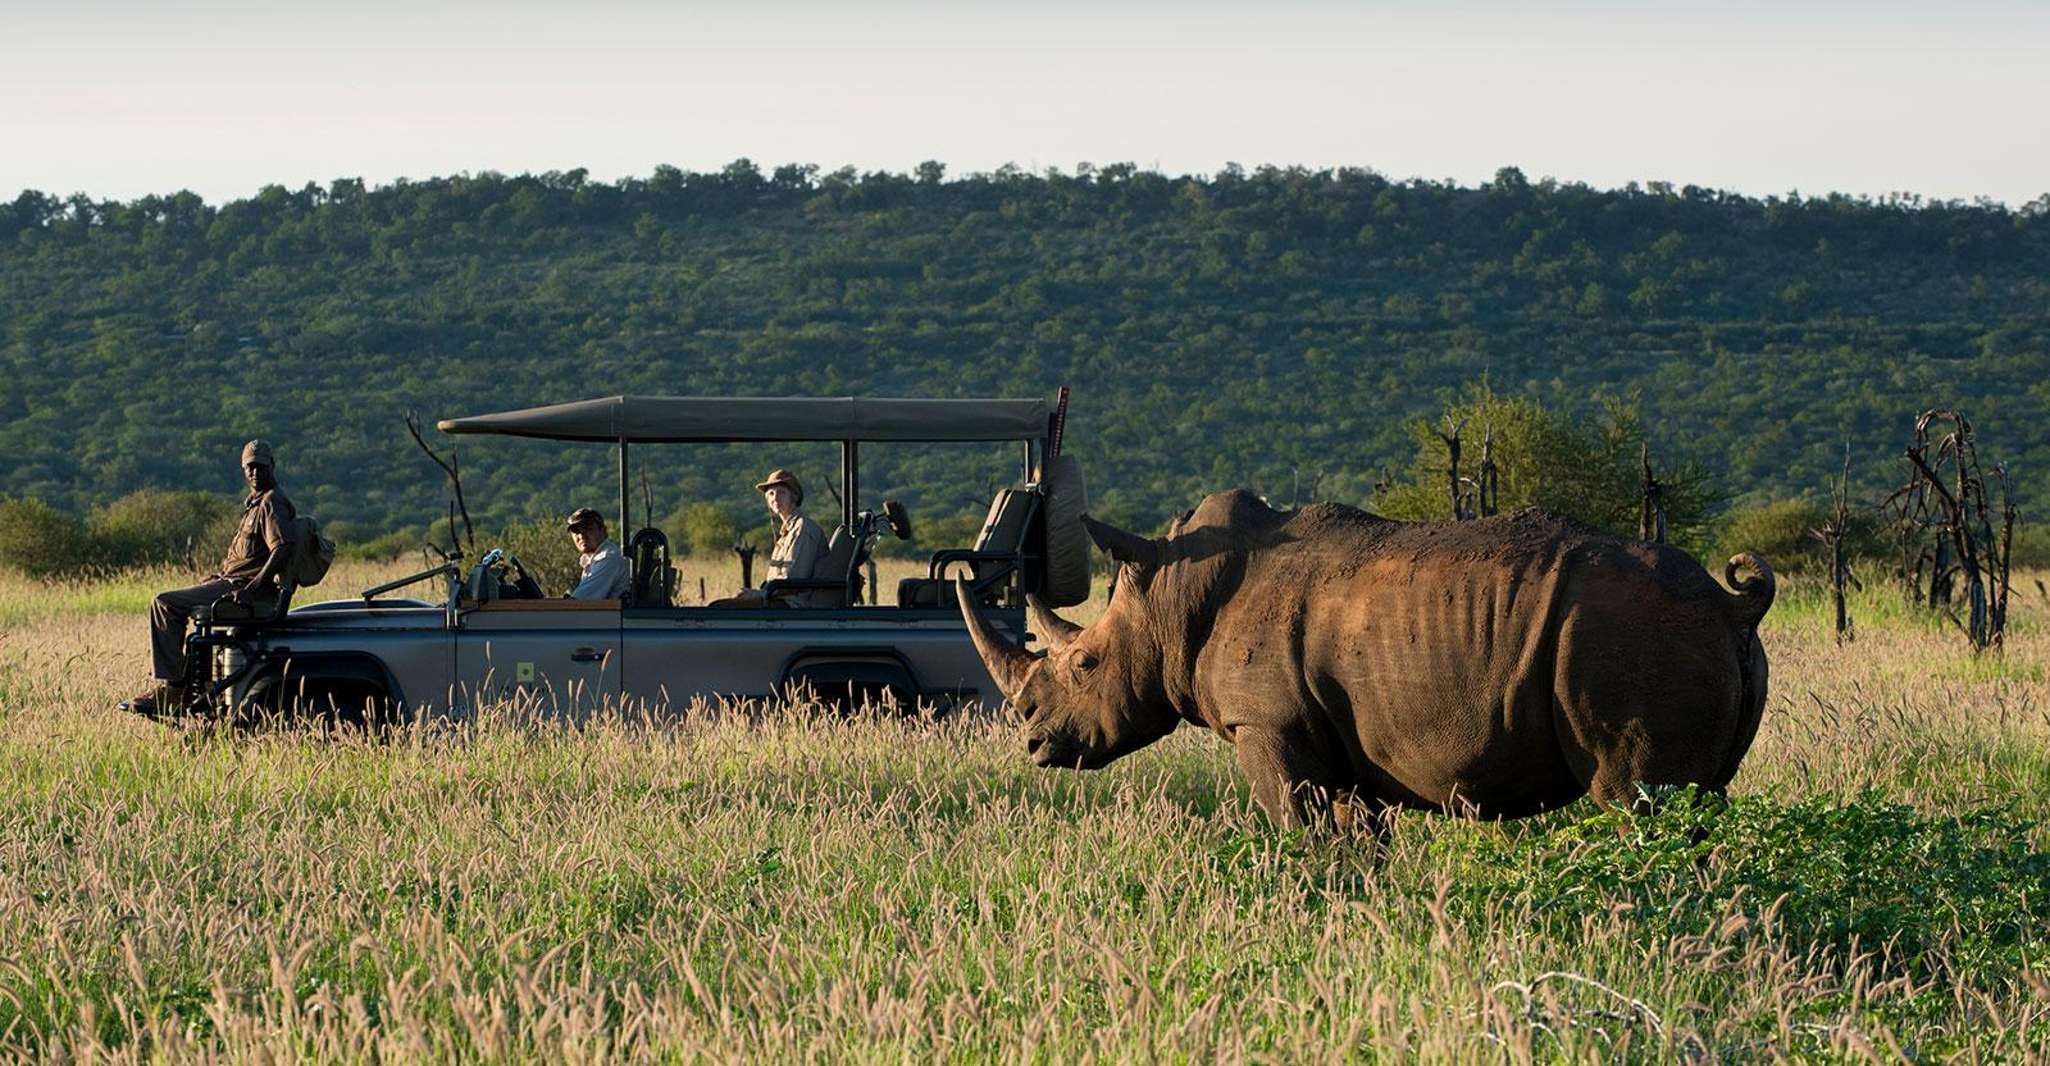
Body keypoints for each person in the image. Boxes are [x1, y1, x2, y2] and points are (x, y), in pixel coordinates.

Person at [125, 439, 295, 718]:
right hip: (232, 582)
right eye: (249, 467)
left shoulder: (272, 502)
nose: (254, 472)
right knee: (185, 615)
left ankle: (174, 689)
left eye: (260, 467)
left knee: (165, 604)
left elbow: (283, 547)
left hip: (242, 588)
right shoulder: (256, 503)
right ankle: (196, 686)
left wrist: (252, 588)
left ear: (272, 466)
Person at [718, 468, 826, 606]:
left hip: (795, 605)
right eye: (771, 493)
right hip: (778, 599)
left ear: (794, 496)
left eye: (781, 492)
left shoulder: (802, 529)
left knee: (720, 609)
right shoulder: (787, 531)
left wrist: (759, 594)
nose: (775, 498)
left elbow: (793, 581)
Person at [566, 507, 632, 600]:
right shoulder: (590, 559)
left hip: (614, 614)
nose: (581, 536)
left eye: (588, 529)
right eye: (576, 531)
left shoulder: (608, 557)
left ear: (603, 531)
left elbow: (581, 601)